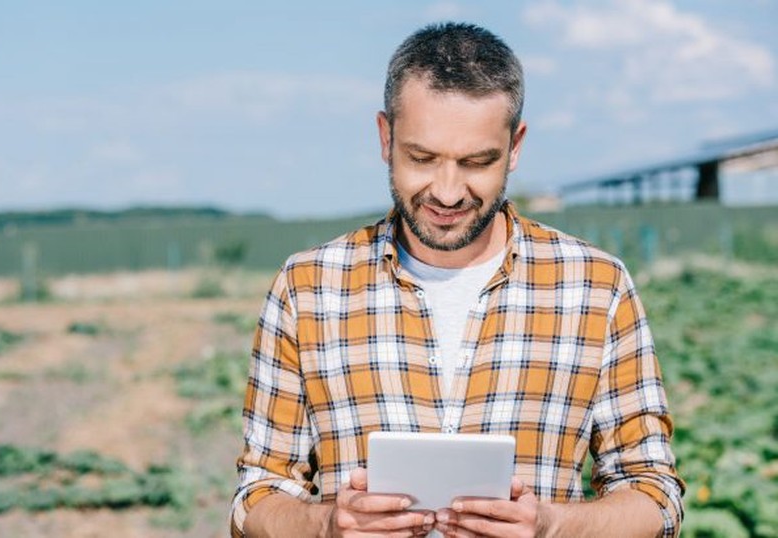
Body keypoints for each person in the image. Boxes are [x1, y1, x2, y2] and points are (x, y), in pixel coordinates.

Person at [231, 21, 684, 538]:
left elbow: (654, 494)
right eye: (422, 159)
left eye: (476, 162)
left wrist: (552, 525)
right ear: (386, 137)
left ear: (514, 147)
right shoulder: (307, 287)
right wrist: (325, 526)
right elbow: (257, 496)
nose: (447, 192)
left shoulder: (596, 286)